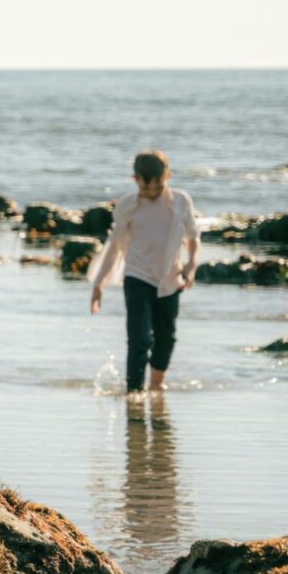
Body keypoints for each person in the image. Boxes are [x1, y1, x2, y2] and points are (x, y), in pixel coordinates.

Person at [89, 150, 201, 393]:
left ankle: (156, 386)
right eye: (145, 187)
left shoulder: (181, 201)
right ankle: (134, 394)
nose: (151, 193)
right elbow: (115, 248)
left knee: (166, 338)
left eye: (158, 186)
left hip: (170, 279)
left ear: (167, 176)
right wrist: (99, 283)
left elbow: (193, 238)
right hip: (137, 277)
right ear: (135, 180)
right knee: (139, 339)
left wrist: (191, 265)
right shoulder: (127, 205)